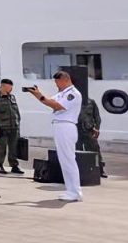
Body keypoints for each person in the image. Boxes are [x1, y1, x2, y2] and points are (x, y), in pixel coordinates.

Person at [26, 71, 83, 202]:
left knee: (68, 160)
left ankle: (75, 191)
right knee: (64, 160)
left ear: (64, 80)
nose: (56, 85)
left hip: (66, 126)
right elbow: (50, 101)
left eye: (57, 82)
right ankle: (71, 190)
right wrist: (38, 95)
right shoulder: (62, 93)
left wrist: (40, 97)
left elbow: (57, 106)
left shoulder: (72, 94)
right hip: (60, 125)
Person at [0, 78, 23, 175]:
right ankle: (0, 165)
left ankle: (14, 165)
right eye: (9, 87)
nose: (10, 89)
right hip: (3, 127)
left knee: (13, 147)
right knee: (2, 147)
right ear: (3, 86)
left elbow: (16, 112)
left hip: (14, 127)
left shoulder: (12, 97)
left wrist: (18, 123)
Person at [77, 98, 107, 179]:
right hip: (76, 131)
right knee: (77, 150)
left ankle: (100, 169)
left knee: (95, 149)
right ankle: (80, 170)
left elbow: (97, 117)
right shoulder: (73, 100)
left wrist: (97, 128)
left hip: (89, 130)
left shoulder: (91, 102)